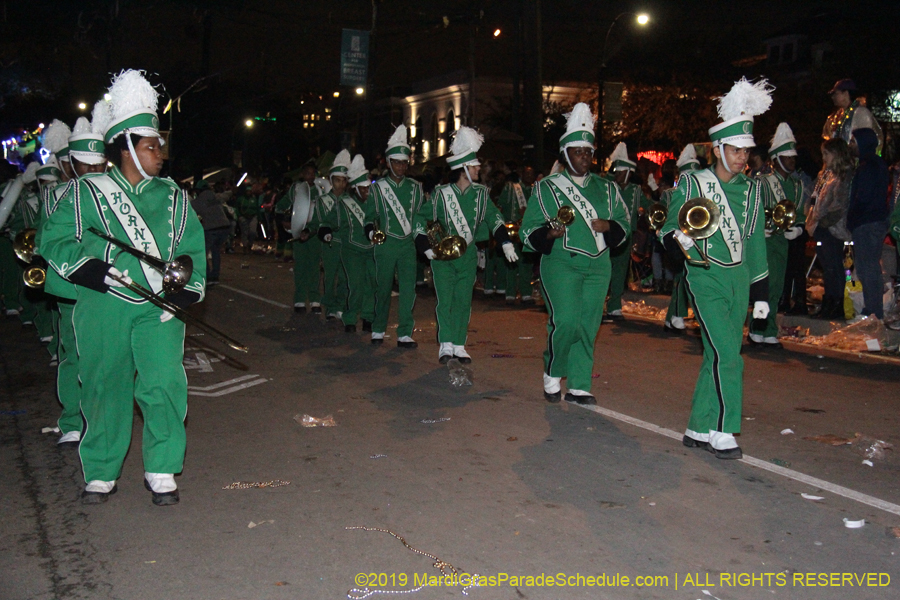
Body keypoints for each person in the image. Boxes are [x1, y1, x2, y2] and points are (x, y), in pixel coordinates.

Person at [41, 70, 206, 505]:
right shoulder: (82, 193)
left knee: (164, 383)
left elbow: (192, 248)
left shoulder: (173, 196)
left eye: (160, 145)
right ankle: (100, 469)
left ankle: (162, 468)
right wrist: (86, 268)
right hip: (103, 304)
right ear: (129, 146)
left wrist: (188, 288)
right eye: (153, 146)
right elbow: (53, 241)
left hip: (159, 308)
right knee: (103, 384)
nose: (161, 154)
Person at [660, 78, 771, 459]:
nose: (743, 157)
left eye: (746, 151)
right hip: (705, 275)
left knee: (716, 352)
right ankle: (724, 428)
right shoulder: (693, 181)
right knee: (729, 353)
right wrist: (680, 241)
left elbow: (755, 242)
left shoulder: (754, 190)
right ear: (719, 149)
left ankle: (697, 424)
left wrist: (761, 294)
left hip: (740, 277)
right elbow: (669, 227)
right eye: (736, 150)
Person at [520, 103, 628, 404]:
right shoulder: (547, 188)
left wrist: (609, 226)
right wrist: (548, 233)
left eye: (589, 152)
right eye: (578, 152)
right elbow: (526, 231)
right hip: (561, 264)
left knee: (588, 324)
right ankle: (553, 370)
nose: (585, 157)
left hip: (598, 265)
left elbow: (625, 224)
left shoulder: (607, 189)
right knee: (566, 320)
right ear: (566, 154)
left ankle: (580, 384)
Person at [414, 126, 517, 364]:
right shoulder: (441, 194)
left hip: (468, 255)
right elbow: (420, 218)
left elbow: (495, 218)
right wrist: (424, 244)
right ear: (464, 170)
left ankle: (459, 344)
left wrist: (505, 243)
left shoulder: (482, 194)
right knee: (445, 300)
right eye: (475, 166)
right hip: (442, 255)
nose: (479, 169)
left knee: (463, 300)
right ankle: (445, 344)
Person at [35, 112, 107, 447]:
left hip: (109, 287)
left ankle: (102, 421)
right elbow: (46, 240)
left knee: (107, 359)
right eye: (85, 164)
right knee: (72, 355)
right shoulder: (54, 196)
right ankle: (71, 420)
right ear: (71, 164)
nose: (92, 171)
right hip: (71, 288)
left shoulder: (114, 194)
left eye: (98, 164)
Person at [365, 125, 424, 348]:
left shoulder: (416, 188)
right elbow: (369, 217)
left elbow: (420, 216)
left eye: (404, 163)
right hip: (386, 244)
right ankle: (378, 328)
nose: (401, 167)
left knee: (409, 289)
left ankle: (405, 333)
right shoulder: (378, 188)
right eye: (397, 162)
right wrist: (371, 231)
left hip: (408, 245)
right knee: (383, 288)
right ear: (389, 163)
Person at [748, 123, 805, 348]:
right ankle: (758, 328)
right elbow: (752, 210)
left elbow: (799, 213)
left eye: (793, 157)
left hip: (783, 242)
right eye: (788, 157)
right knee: (765, 286)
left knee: (779, 287)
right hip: (764, 241)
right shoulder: (762, 183)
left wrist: (799, 229)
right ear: (777, 158)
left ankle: (768, 328)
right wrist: (758, 227)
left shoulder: (797, 185)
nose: (792, 161)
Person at [805, 138, 853, 320]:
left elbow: (839, 205)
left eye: (827, 153)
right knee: (827, 267)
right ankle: (829, 302)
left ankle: (836, 303)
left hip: (832, 229)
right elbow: (815, 196)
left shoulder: (843, 175)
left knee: (833, 267)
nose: (823, 157)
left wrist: (823, 222)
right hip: (820, 226)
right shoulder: (826, 174)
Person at [847, 127, 890, 320]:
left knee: (869, 267)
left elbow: (863, 196)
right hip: (869, 221)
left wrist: (853, 215)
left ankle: (874, 311)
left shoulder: (870, 165)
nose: (851, 146)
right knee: (865, 267)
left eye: (854, 142)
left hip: (868, 222)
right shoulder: (871, 163)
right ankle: (870, 308)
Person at [331, 154, 375, 332]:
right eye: (363, 189)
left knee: (371, 284)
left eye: (368, 188)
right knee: (355, 285)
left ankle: (367, 317)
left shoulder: (374, 202)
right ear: (355, 188)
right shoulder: (344, 203)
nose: (367, 191)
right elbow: (331, 219)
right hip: (352, 250)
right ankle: (350, 318)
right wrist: (325, 229)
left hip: (371, 249)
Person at [604, 142, 645, 322]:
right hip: (607, 234)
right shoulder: (607, 186)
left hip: (626, 236)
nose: (617, 175)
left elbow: (650, 207)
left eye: (620, 172)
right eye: (616, 172)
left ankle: (614, 307)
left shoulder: (636, 191)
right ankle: (598, 306)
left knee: (620, 271)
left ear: (628, 173)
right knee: (604, 270)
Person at [306, 151, 350, 320]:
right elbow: (316, 222)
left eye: (343, 180)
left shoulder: (350, 201)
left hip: (347, 244)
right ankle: (330, 306)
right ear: (331, 181)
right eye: (337, 180)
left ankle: (340, 304)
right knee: (331, 276)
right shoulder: (322, 201)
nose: (340, 184)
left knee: (345, 276)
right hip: (330, 245)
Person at [662, 146, 701, 332]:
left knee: (687, 278)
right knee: (681, 278)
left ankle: (672, 317)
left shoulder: (703, 192)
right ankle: (677, 315)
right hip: (680, 238)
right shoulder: (674, 192)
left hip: (698, 238)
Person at [491, 164, 537, 304]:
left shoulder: (536, 190)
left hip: (527, 230)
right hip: (512, 229)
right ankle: (510, 293)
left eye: (531, 174)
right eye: (526, 174)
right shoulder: (511, 188)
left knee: (526, 262)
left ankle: (526, 294)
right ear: (521, 174)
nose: (529, 177)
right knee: (511, 261)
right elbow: (501, 205)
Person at [291, 163, 323, 313]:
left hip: (313, 233)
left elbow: (320, 212)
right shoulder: (295, 189)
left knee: (314, 267)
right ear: (302, 174)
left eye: (312, 173)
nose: (310, 176)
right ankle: (300, 300)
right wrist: (285, 220)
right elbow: (283, 205)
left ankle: (315, 299)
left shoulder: (318, 191)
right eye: (307, 173)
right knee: (301, 267)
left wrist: (312, 229)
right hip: (298, 232)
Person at [823, 79, 884, 154]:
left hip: (854, 161)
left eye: (836, 93)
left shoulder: (860, 113)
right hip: (843, 161)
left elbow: (864, 142)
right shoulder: (839, 115)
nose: (833, 97)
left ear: (845, 93)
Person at [190, 178, 230, 284]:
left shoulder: (198, 201)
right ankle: (215, 276)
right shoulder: (215, 197)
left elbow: (191, 212)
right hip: (224, 226)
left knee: (204, 252)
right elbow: (227, 195)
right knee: (216, 251)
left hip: (211, 228)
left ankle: (207, 275)